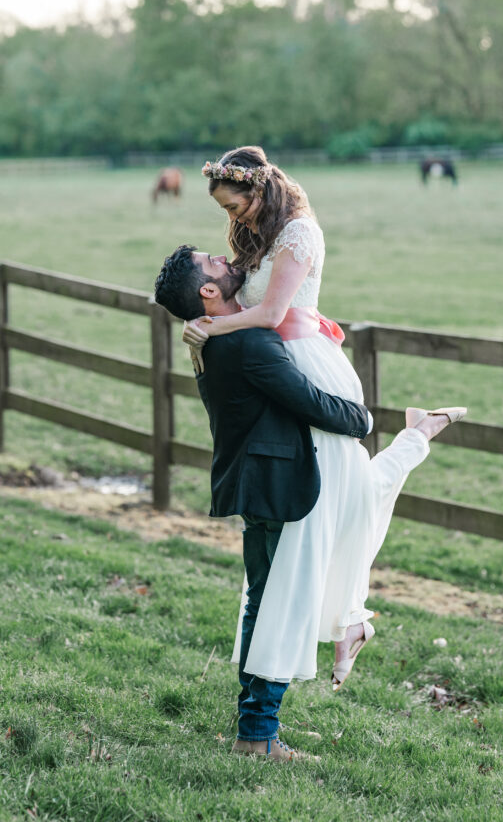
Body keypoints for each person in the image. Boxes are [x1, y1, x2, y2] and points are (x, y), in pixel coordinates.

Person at [155, 244, 462, 761]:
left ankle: (257, 725)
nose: (227, 263)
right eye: (214, 263)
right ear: (208, 292)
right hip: (281, 489)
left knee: (263, 604)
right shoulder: (248, 343)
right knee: (285, 610)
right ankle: (257, 736)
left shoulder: (211, 342)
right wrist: (363, 421)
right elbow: (312, 403)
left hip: (260, 486)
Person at [182, 146, 466, 696]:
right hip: (274, 363)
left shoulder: (297, 234)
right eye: (225, 209)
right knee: (342, 498)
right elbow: (232, 298)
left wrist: (207, 329)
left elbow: (269, 314)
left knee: (339, 501)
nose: (232, 219)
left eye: (236, 206)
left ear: (260, 190)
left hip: (304, 363)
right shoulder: (255, 235)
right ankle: (348, 621)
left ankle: (346, 620)